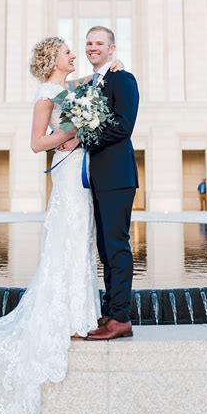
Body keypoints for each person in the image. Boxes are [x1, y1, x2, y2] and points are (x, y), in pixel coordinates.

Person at [0, 37, 127, 414]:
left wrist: (113, 66)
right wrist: (70, 135)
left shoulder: (70, 88)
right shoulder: (46, 94)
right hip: (68, 174)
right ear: (54, 59)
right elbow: (37, 143)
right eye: (68, 51)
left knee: (80, 241)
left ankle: (80, 312)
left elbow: (92, 85)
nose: (74, 54)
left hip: (80, 176)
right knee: (67, 240)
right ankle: (67, 313)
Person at [58, 26, 139, 340]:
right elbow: (59, 90)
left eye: (99, 43)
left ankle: (121, 318)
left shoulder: (123, 79)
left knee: (117, 248)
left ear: (112, 48)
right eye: (89, 43)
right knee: (105, 249)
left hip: (117, 177)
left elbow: (123, 127)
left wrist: (83, 137)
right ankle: (109, 311)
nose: (92, 48)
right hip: (96, 177)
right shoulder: (89, 84)